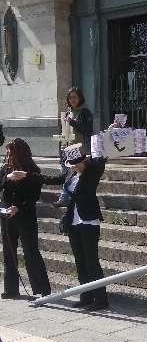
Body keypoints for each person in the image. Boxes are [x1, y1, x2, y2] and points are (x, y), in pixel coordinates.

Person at [12, 144, 109, 310]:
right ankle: (85, 296)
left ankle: (100, 299)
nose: (75, 166)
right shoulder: (71, 174)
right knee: (80, 261)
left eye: (77, 163)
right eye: (72, 164)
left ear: (84, 161)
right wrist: (26, 175)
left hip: (89, 222)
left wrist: (88, 158)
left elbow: (100, 161)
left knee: (91, 261)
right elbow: (50, 180)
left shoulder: (91, 173)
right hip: (73, 222)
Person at [0, 138, 51, 299]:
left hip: (25, 216)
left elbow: (33, 197)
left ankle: (42, 289)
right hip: (7, 215)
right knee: (9, 252)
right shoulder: (4, 170)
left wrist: (19, 208)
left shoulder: (32, 171)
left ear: (19, 153)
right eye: (7, 153)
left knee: (31, 252)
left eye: (10, 152)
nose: (7, 156)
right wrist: (6, 178)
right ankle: (11, 289)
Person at [54, 88, 93, 207]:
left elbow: (88, 131)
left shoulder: (85, 112)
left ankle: (64, 198)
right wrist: (60, 147)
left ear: (80, 98)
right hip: (66, 148)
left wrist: (72, 122)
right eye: (70, 98)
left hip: (77, 148)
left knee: (72, 174)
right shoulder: (67, 113)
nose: (72, 100)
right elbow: (64, 133)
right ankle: (67, 197)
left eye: (75, 97)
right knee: (65, 172)